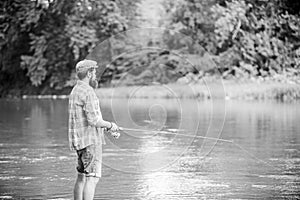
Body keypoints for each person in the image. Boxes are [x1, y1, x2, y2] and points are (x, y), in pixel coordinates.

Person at [68, 59, 120, 200]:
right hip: (91, 142)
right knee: (92, 178)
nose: (96, 74)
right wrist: (110, 125)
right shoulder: (88, 92)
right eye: (94, 72)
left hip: (79, 142)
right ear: (89, 73)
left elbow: (85, 120)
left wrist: (106, 128)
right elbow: (94, 120)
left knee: (81, 177)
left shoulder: (75, 90)